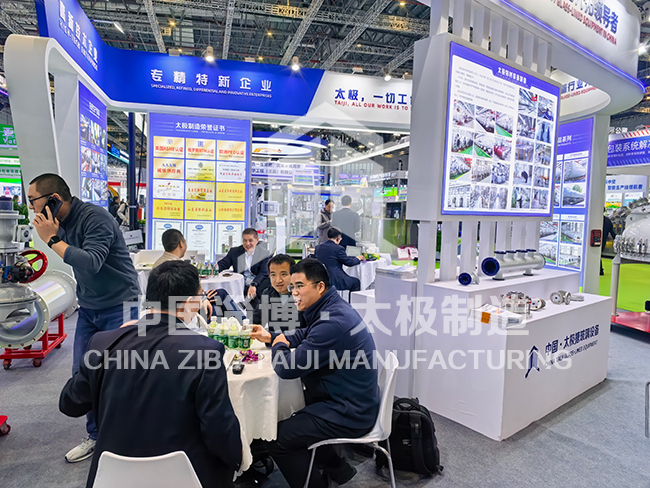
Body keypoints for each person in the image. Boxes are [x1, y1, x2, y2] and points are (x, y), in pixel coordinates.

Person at [59, 260, 242, 488]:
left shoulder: (103, 342)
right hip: (184, 475)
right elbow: (219, 429)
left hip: (112, 474)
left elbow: (69, 404)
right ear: (189, 303)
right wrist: (238, 459)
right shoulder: (206, 351)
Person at [28, 173, 140, 463]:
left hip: (120, 304)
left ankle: (124, 438)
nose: (31, 208)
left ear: (53, 199)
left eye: (33, 201)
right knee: (83, 373)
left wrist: (52, 239)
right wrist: (54, 235)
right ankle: (96, 436)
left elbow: (91, 262)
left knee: (119, 374)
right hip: (90, 308)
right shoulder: (60, 223)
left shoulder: (95, 218)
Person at [250, 259, 380, 488]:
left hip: (349, 410)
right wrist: (273, 337)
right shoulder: (331, 308)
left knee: (277, 439)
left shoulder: (332, 323)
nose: (293, 292)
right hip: (349, 398)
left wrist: (279, 345)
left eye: (300, 286)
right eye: (293, 287)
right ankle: (337, 468)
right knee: (293, 412)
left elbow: (287, 369)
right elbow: (305, 334)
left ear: (320, 287)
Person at [253, 254, 304, 334]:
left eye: (283, 274)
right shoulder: (268, 294)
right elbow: (256, 321)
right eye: (273, 275)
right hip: (273, 340)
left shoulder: (303, 296)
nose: (278, 280)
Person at [217, 228, 270, 304]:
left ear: (257, 240)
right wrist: (212, 269)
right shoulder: (234, 252)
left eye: (250, 240)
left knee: (267, 282)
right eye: (245, 240)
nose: (247, 243)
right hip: (241, 283)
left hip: (256, 282)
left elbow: (263, 272)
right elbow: (223, 264)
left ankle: (247, 303)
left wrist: (254, 284)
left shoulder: (264, 253)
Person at [315, 227, 365, 293]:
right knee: (356, 282)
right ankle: (353, 300)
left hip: (321, 278)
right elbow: (349, 262)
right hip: (336, 279)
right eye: (340, 238)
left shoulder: (318, 247)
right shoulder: (338, 248)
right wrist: (358, 258)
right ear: (338, 238)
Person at [601, 211, 616, 276]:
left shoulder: (595, 220)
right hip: (603, 241)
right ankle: (600, 270)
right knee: (598, 255)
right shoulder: (607, 220)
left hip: (593, 240)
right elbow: (612, 232)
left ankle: (600, 270)